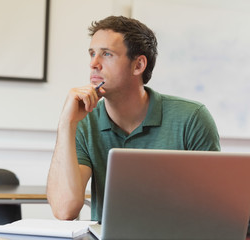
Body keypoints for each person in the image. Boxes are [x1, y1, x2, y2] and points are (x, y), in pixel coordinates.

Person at [46, 16, 220, 222]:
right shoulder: (84, 123)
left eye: (106, 54)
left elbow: (214, 207)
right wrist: (67, 123)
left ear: (138, 65)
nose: (93, 64)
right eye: (92, 53)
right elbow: (65, 210)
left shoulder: (192, 118)